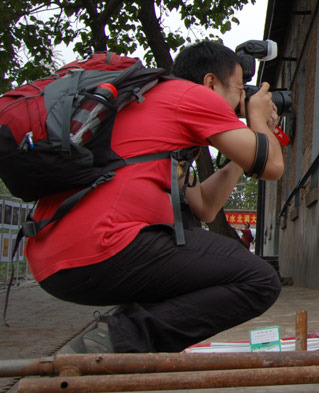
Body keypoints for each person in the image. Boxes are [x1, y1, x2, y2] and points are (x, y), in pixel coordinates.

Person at [25, 41, 285, 353]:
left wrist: (243, 156)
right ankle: (116, 337)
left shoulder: (150, 105)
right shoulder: (192, 97)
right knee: (259, 280)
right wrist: (258, 118)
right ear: (210, 82)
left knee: (196, 257)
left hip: (52, 260)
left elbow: (204, 206)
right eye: (241, 87)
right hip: (104, 246)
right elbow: (272, 166)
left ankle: (115, 345)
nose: (242, 99)